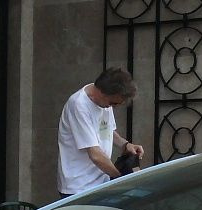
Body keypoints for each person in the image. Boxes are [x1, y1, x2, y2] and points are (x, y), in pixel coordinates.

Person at [56, 68, 145, 197]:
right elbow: (95, 155)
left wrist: (126, 145)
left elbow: (108, 131)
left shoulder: (104, 103)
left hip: (100, 181)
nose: (113, 107)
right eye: (113, 103)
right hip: (79, 186)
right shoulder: (79, 105)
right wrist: (121, 179)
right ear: (103, 93)